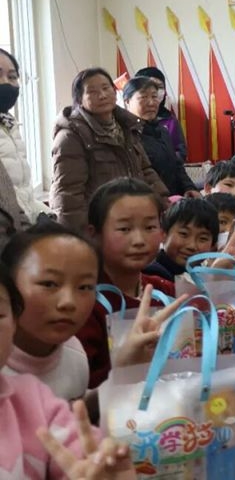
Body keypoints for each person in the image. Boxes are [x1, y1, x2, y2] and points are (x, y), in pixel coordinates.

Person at [0, 266, 137, 480]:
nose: (67, 302)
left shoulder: (33, 401)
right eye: (48, 284)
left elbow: (85, 456)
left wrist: (102, 468)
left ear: (14, 321)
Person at [76, 178, 177, 388]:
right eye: (124, 229)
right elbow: (82, 386)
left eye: (150, 227)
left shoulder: (163, 290)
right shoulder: (85, 304)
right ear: (94, 234)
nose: (139, 240)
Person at [50, 67, 169, 233]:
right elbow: (68, 194)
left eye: (106, 88)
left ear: (115, 92)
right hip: (99, 226)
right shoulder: (70, 136)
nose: (102, 95)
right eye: (92, 92)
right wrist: (81, 235)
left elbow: (145, 170)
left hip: (131, 219)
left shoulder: (126, 126)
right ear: (80, 100)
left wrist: (164, 202)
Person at [0, 220, 100, 400]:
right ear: (9, 287)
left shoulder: (75, 356)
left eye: (84, 287)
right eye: (49, 284)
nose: (68, 302)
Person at [122, 76, 199, 198]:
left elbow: (176, 166)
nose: (151, 103)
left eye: (154, 97)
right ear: (127, 101)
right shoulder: (125, 135)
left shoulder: (163, 131)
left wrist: (189, 188)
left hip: (173, 199)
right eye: (143, 97)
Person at [0, 48, 52, 222]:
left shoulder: (9, 125)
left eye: (12, 77)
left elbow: (22, 192)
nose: (6, 83)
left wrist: (44, 214)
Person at [144, 198, 218, 283]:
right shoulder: (152, 274)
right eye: (184, 234)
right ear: (163, 234)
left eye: (203, 238)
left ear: (213, 246)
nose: (191, 246)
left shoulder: (203, 276)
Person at [135, 66, 186, 162]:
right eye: (151, 86)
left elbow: (181, 152)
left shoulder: (170, 120)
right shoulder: (129, 121)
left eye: (160, 87)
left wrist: (166, 160)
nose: (156, 91)